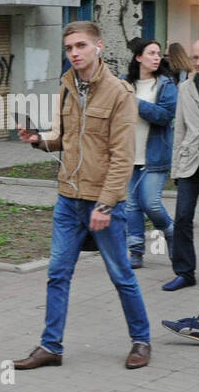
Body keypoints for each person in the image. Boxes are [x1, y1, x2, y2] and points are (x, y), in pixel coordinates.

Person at [15, 21, 151, 371]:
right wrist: (39, 141)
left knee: (121, 274)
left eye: (80, 46)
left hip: (102, 202)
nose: (74, 53)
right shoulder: (66, 87)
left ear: (98, 47)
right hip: (68, 198)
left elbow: (123, 157)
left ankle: (141, 340)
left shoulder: (120, 94)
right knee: (58, 274)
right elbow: (65, 139)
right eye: (69, 48)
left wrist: (106, 203)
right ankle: (50, 347)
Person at [123, 39, 177, 270]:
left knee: (151, 204)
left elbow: (165, 116)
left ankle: (172, 233)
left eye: (158, 54)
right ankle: (136, 252)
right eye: (151, 53)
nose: (157, 57)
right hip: (127, 155)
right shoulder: (126, 84)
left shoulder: (166, 84)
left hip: (155, 155)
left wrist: (135, 103)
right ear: (138, 57)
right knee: (131, 206)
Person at [162, 37, 199, 293]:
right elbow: (179, 130)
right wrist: (176, 168)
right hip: (190, 160)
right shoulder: (185, 88)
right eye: (195, 58)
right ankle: (184, 272)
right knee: (181, 218)